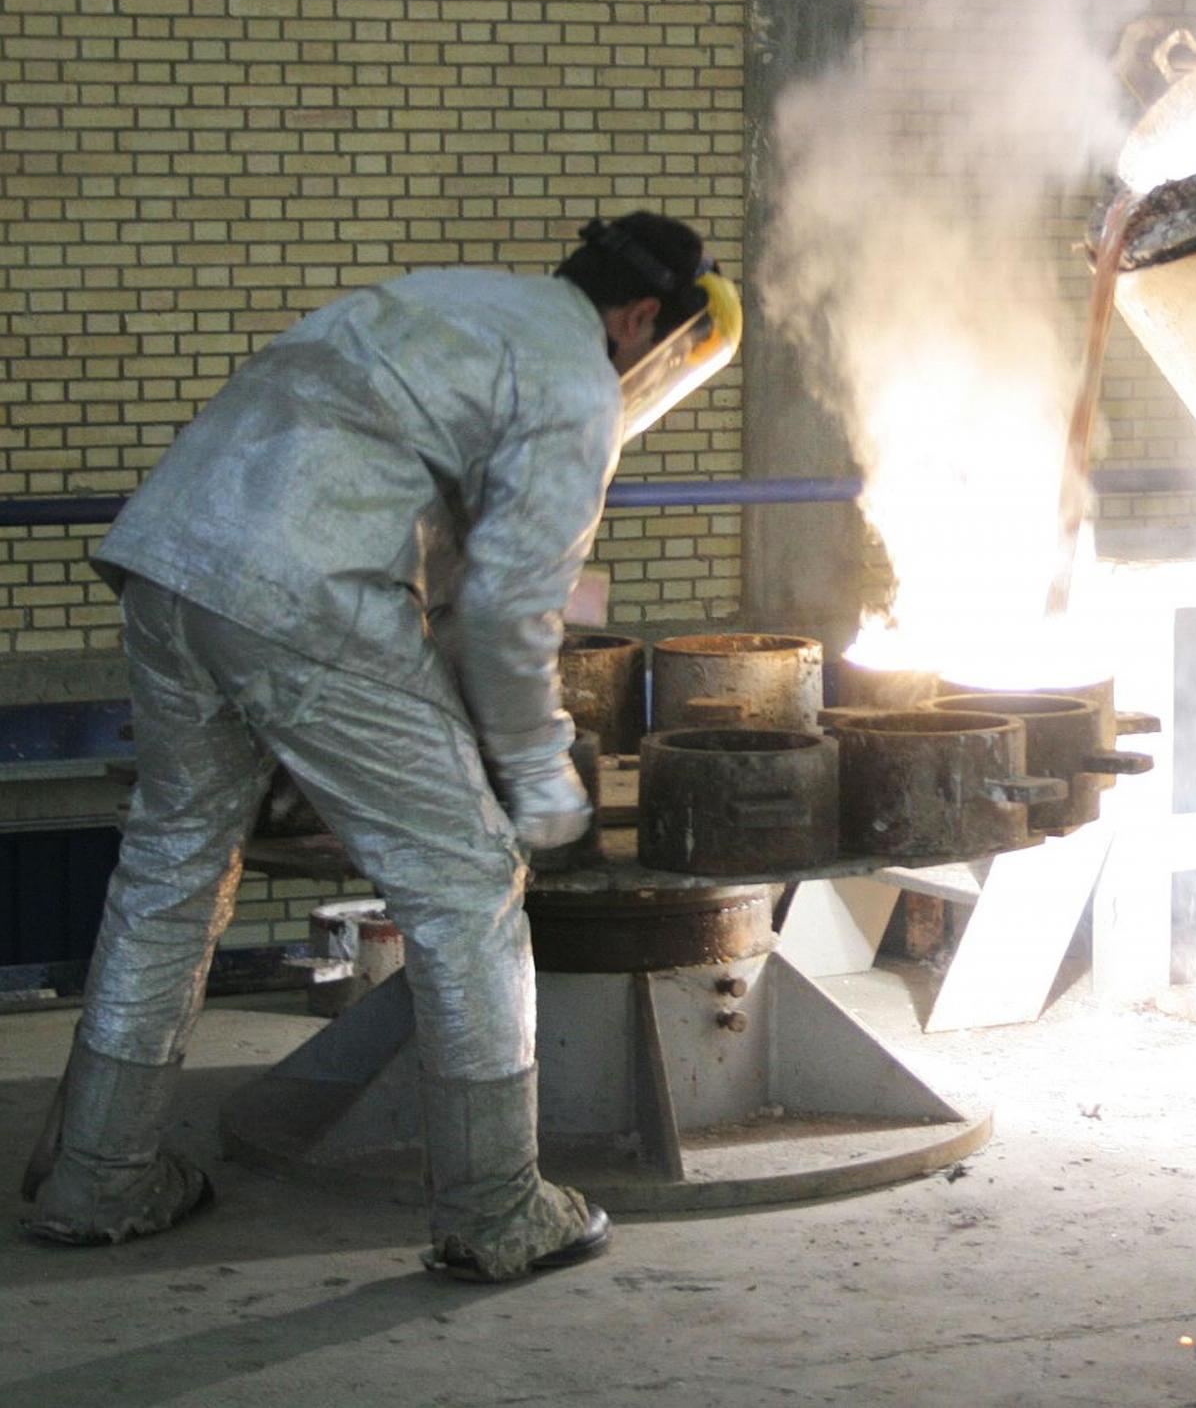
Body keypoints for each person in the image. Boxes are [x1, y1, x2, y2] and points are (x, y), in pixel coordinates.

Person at [19, 214, 739, 1281]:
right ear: (640, 320)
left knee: (173, 868)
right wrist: (539, 775)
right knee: (468, 882)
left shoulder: (453, 303)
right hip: (304, 593)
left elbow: (440, 557)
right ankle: (498, 1211)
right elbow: (505, 610)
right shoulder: (575, 379)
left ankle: (97, 1177)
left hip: (172, 562)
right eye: (664, 350)